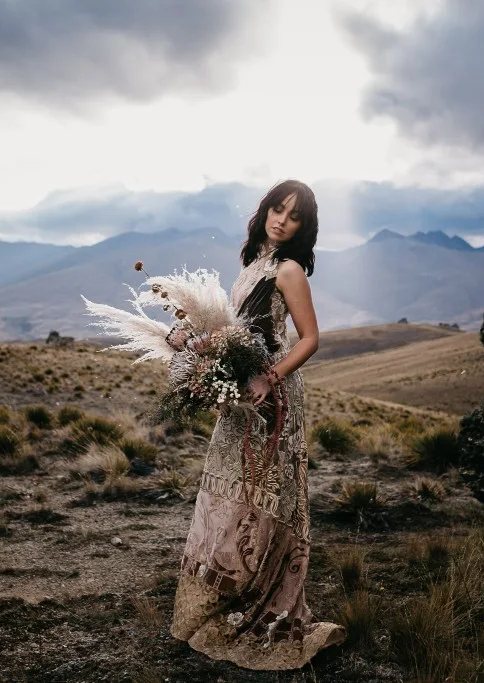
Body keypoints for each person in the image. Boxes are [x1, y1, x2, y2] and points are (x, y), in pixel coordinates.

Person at [170, 179, 345, 670]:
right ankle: (223, 593)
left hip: (273, 398)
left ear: (302, 228)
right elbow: (233, 330)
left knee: (265, 496)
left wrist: (270, 377)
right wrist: (193, 337)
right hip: (240, 396)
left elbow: (310, 339)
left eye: (293, 217)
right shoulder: (251, 266)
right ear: (265, 210)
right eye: (277, 209)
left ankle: (263, 599)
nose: (281, 220)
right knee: (229, 494)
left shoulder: (289, 271)